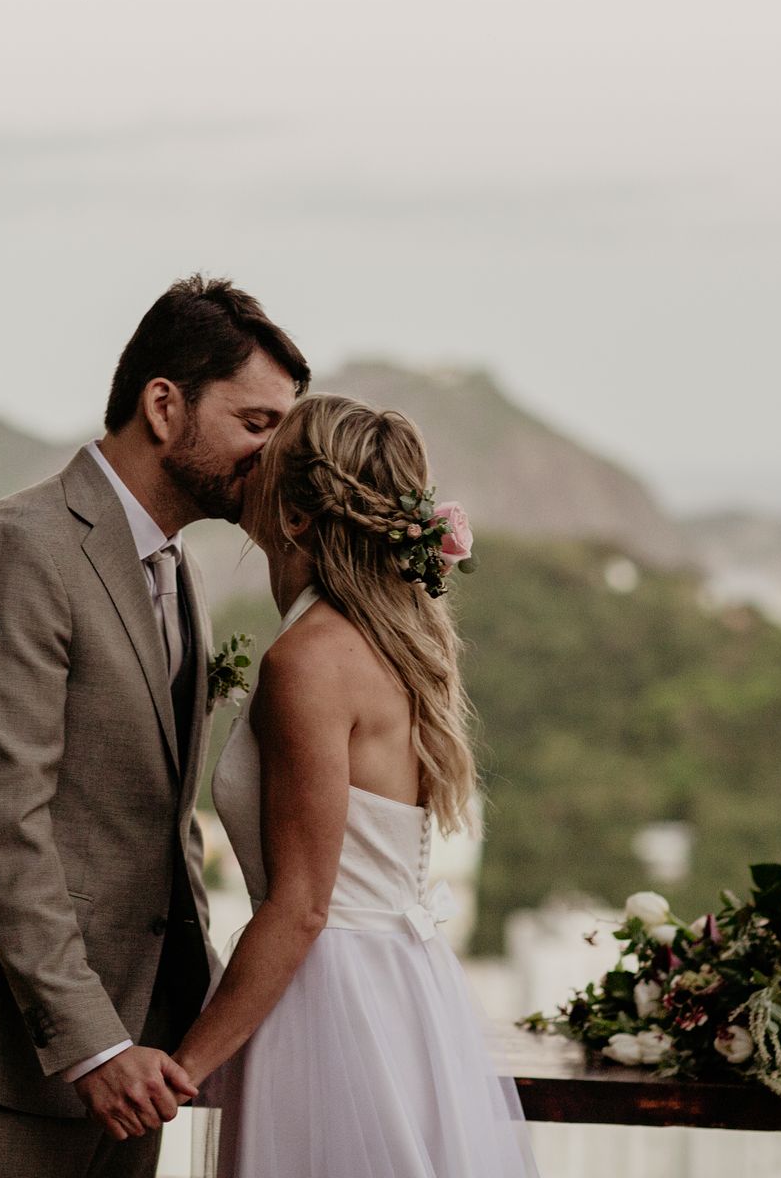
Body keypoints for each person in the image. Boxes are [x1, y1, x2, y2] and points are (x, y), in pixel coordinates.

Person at [0, 275, 309, 1177]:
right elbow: (4, 828)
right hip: (18, 1064)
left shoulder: (182, 573)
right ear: (165, 406)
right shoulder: (18, 550)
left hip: (142, 1063)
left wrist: (190, 1016)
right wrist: (91, 1045)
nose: (273, 455)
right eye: (256, 425)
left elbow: (156, 830)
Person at [175, 393, 540, 1178]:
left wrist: (182, 1068)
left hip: (330, 1007)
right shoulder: (388, 644)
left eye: (270, 448)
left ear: (298, 519)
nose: (251, 453)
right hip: (401, 992)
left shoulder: (307, 662)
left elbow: (303, 904)